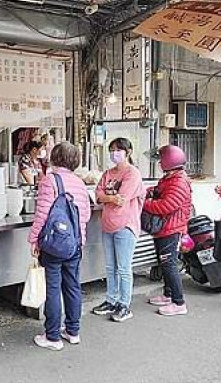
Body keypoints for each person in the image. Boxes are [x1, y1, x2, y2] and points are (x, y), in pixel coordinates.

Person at [28, 142, 91, 351]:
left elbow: (43, 214)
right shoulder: (80, 183)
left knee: (53, 288)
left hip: (54, 245)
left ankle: (52, 336)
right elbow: (86, 215)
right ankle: (73, 332)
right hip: (75, 244)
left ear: (54, 158)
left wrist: (34, 239)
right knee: (73, 286)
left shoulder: (50, 180)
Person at [91, 138, 145, 322]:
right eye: (112, 150)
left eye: (118, 150)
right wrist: (109, 198)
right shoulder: (108, 173)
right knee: (110, 267)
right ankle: (111, 300)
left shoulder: (133, 174)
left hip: (125, 226)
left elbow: (122, 198)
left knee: (123, 268)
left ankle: (124, 304)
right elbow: (97, 195)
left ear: (128, 151)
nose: (114, 153)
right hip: (108, 225)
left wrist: (107, 197)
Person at [143, 145, 193, 316]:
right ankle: (168, 294)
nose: (159, 163)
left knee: (169, 265)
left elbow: (166, 205)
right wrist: (148, 192)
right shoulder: (170, 178)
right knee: (164, 264)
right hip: (164, 228)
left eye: (161, 160)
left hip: (172, 229)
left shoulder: (178, 181)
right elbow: (159, 192)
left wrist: (145, 203)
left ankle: (179, 303)